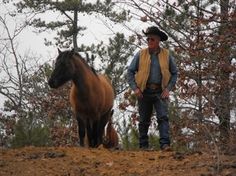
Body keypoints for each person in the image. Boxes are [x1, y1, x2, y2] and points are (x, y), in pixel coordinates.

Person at [127, 26, 178, 150]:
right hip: (144, 92)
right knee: (144, 120)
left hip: (160, 92)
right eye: (148, 39)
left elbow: (175, 73)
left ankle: (165, 145)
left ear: (158, 40)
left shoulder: (166, 55)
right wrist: (135, 89)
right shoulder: (141, 54)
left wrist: (168, 89)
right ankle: (143, 146)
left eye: (152, 39)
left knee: (163, 118)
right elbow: (130, 72)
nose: (149, 41)